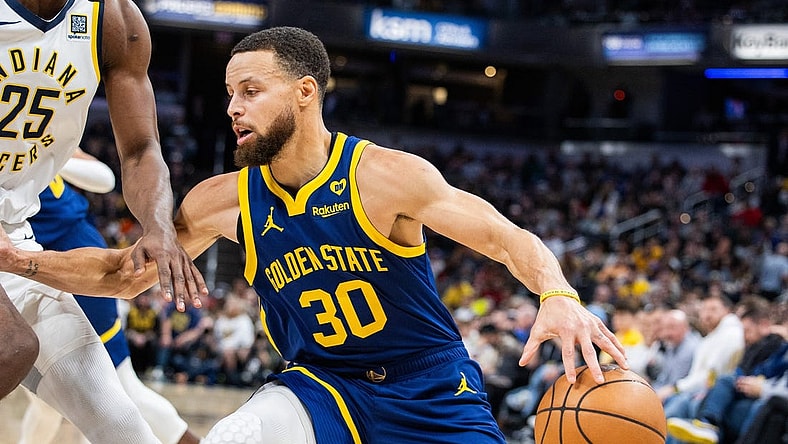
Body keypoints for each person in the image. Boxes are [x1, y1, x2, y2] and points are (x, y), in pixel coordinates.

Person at [0, 26, 627, 443]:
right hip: (322, 386)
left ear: (305, 92)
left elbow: (506, 238)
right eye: (229, 94)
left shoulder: (385, 176)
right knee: (231, 438)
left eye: (251, 91)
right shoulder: (221, 201)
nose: (233, 108)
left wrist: (559, 295)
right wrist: (17, 259)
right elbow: (123, 275)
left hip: (430, 387)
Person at [0, 0, 206, 439]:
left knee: (121, 423)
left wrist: (158, 226)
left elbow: (141, 149)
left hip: (14, 234)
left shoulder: (114, 19)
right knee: (12, 347)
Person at [19, 150, 202, 444]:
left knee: (124, 387)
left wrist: (50, 157)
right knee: (44, 401)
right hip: (25, 265)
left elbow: (105, 179)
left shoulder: (33, 134)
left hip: (74, 252)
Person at [666, 298, 787, 444]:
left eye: (747, 331)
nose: (744, 336)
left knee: (691, 402)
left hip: (767, 398)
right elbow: (756, 370)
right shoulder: (756, 347)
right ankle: (707, 425)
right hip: (751, 391)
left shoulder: (772, 343)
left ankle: (708, 425)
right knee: (696, 401)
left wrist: (762, 388)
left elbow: (772, 374)